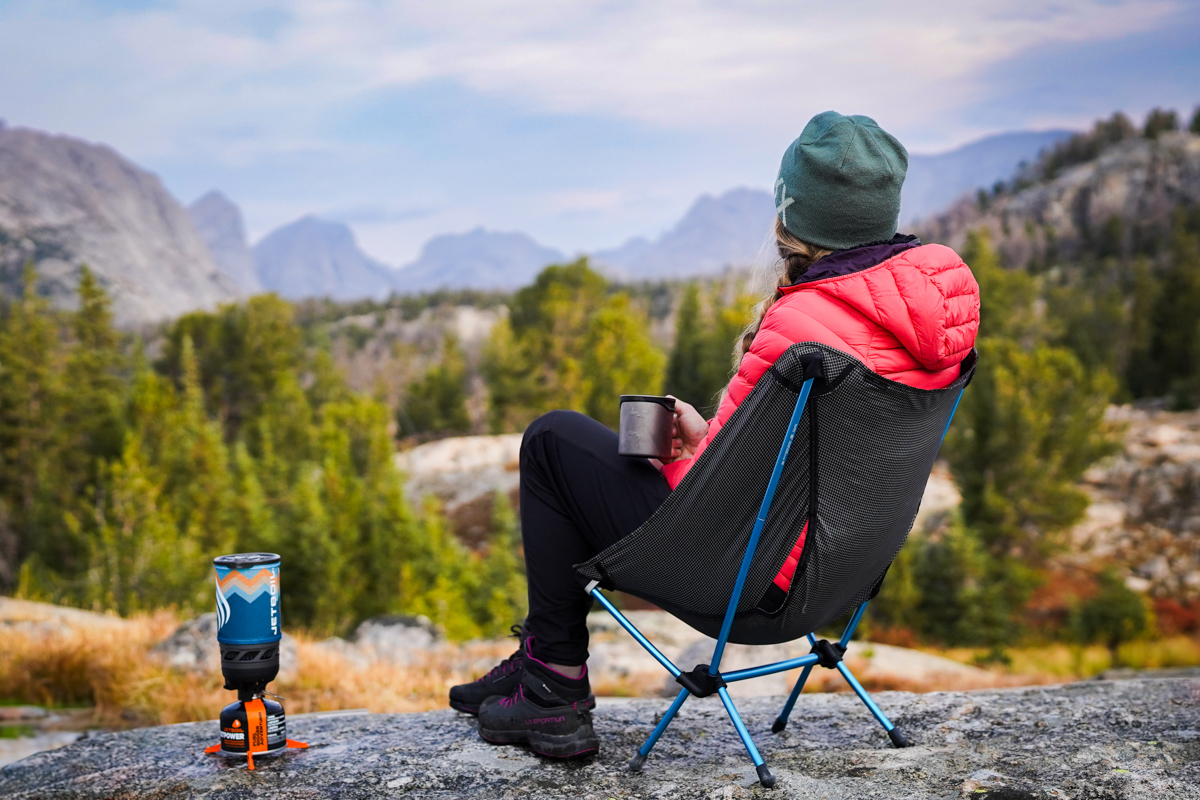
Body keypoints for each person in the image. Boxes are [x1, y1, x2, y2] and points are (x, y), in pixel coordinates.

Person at [449, 111, 981, 759]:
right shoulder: (941, 323)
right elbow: (804, 466)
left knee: (553, 442)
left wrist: (680, 450)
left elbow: (708, 501)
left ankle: (553, 684)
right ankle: (540, 654)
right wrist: (711, 435)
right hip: (836, 580)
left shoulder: (804, 325)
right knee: (579, 452)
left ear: (792, 211)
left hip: (746, 585)